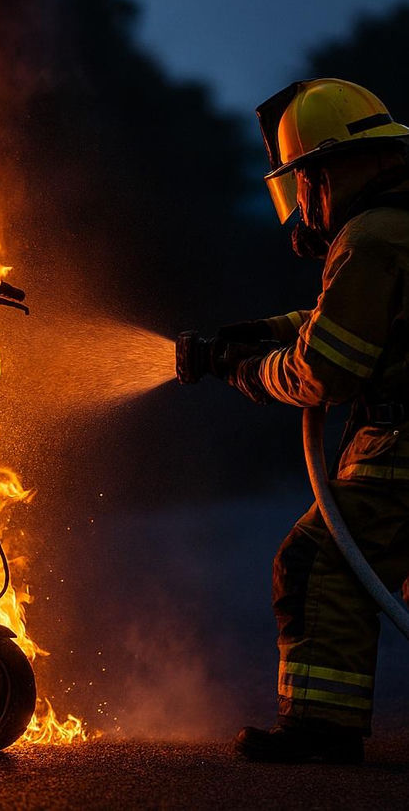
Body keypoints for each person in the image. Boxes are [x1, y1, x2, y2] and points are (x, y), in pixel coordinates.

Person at [211, 78, 409, 764]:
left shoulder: (372, 235)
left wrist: (253, 372)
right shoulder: (393, 226)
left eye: (303, 182)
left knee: (318, 558)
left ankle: (320, 731)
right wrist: (261, 332)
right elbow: (360, 321)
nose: (302, 203)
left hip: (399, 455)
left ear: (331, 169)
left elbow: (328, 366)